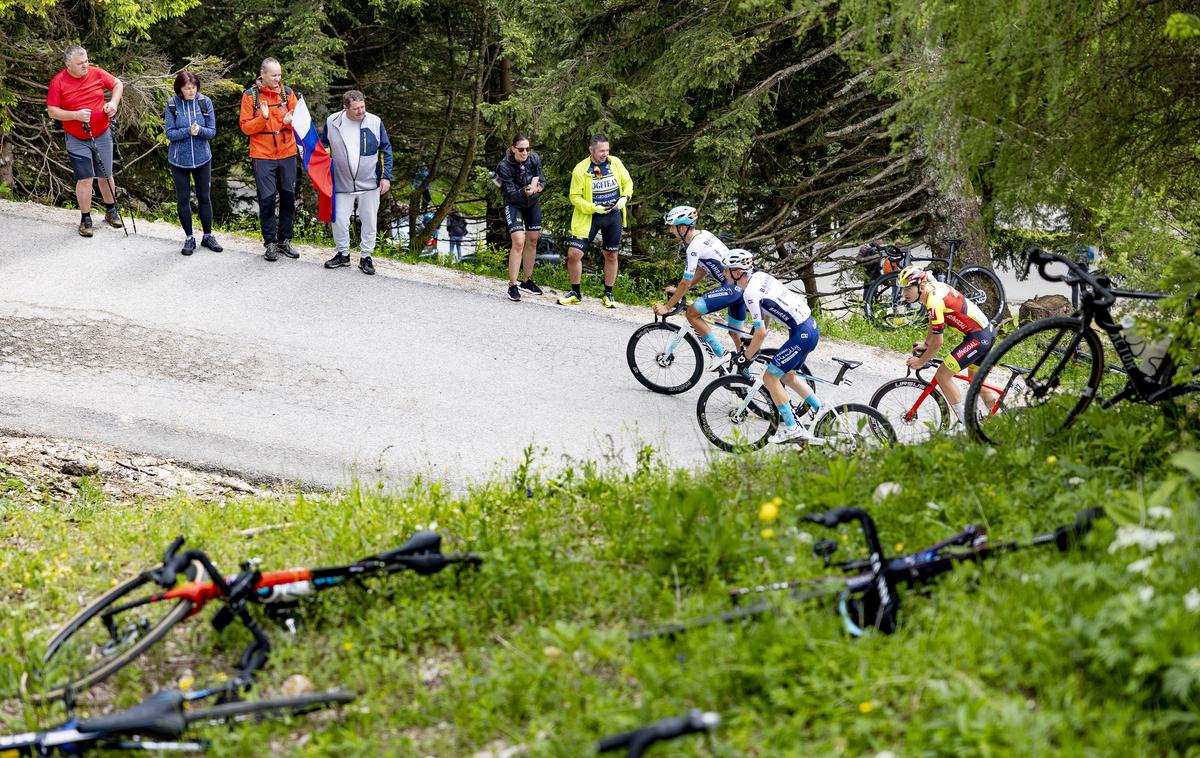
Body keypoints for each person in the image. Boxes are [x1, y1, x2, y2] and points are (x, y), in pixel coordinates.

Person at [727, 250, 823, 445]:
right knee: (787, 375)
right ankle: (820, 410)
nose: (723, 274)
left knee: (769, 377)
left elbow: (762, 334)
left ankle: (791, 427)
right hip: (809, 327)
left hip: (801, 333)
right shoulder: (760, 277)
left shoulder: (749, 294)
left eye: (726, 271)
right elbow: (766, 315)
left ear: (737, 272)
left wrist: (746, 356)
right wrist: (753, 338)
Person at [898, 264, 1000, 425]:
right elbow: (935, 320)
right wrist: (926, 343)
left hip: (978, 338)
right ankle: (1000, 419)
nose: (904, 293)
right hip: (985, 333)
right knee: (975, 381)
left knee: (943, 376)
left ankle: (968, 423)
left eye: (908, 288)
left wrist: (920, 361)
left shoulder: (933, 301)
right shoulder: (932, 290)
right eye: (902, 289)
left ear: (921, 285)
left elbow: (939, 342)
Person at [45, 45, 125, 238]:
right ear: (68, 64)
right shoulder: (59, 82)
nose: (85, 65)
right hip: (77, 138)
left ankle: (111, 210)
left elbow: (118, 84)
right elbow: (52, 111)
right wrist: (75, 115)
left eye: (86, 61)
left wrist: (113, 103)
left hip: (102, 133)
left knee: (106, 174)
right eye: (80, 63)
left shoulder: (96, 73)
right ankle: (85, 218)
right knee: (85, 178)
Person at [654, 206, 745, 368]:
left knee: (692, 314)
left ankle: (720, 354)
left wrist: (667, 307)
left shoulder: (693, 248)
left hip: (732, 290)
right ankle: (745, 371)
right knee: (736, 334)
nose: (670, 231)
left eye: (672, 227)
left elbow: (685, 282)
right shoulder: (705, 235)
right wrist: (678, 291)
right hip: (740, 289)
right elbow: (704, 269)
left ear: (682, 228)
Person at [320, 90, 392, 276]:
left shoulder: (375, 121)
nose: (361, 111)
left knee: (369, 220)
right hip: (341, 182)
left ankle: (366, 257)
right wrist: (323, 170)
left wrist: (386, 176)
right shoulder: (332, 121)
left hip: (369, 182)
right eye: (356, 108)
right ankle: (343, 254)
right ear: (345, 108)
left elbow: (385, 149)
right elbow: (323, 146)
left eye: (363, 107)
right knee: (339, 220)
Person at [558, 134, 632, 308]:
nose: (605, 154)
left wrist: (624, 198)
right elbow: (574, 197)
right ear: (591, 149)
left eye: (607, 150)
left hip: (613, 216)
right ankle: (575, 292)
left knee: (611, 255)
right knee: (574, 254)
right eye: (601, 151)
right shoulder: (581, 169)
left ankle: (608, 293)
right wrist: (592, 207)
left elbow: (628, 183)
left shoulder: (615, 163)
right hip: (589, 216)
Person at [239, 57, 299, 262]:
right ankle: (270, 242)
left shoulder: (288, 93)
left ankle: (285, 240)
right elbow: (245, 127)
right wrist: (262, 118)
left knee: (289, 198)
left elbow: (301, 124)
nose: (278, 78)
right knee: (266, 200)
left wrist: (291, 122)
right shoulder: (250, 96)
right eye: (274, 75)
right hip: (262, 155)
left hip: (287, 152)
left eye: (279, 74)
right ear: (262, 75)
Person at [164, 71, 221, 256]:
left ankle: (208, 235)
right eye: (187, 88)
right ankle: (189, 237)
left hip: (203, 158)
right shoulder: (172, 104)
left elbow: (212, 131)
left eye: (194, 87)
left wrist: (200, 130)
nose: (191, 91)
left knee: (204, 197)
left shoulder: (205, 102)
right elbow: (170, 134)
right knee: (183, 199)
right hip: (179, 160)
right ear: (180, 89)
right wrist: (188, 131)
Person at [495, 134, 546, 301]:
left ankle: (527, 281)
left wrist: (539, 187)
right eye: (521, 149)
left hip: (533, 203)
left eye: (528, 149)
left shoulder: (534, 158)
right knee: (518, 241)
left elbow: (543, 180)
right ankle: (512, 284)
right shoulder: (504, 165)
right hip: (514, 203)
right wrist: (524, 191)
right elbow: (509, 194)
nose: (525, 152)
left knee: (532, 240)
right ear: (513, 149)